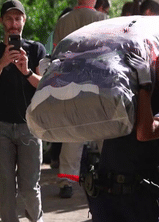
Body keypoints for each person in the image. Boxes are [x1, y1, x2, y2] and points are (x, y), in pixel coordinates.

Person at [86, 43, 159, 222]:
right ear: (157, 63)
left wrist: (145, 88)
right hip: (107, 194)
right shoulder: (126, 86)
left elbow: (145, 132)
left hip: (142, 197)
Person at [0, 1, 49, 222]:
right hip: (0, 129)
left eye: (18, 19)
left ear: (24, 22)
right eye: (9, 19)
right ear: (2, 22)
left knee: (30, 188)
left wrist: (26, 70)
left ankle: (37, 220)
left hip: (30, 126)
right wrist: (2, 63)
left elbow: (44, 85)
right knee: (7, 190)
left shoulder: (36, 49)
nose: (13, 24)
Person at [52, 0, 107, 198]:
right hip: (97, 84)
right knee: (104, 130)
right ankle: (111, 173)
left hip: (71, 84)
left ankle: (66, 181)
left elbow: (57, 55)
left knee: (73, 134)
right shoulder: (103, 20)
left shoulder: (64, 21)